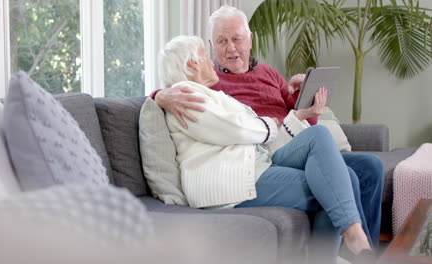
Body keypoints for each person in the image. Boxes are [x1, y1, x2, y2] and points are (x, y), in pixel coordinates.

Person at [153, 5, 383, 257]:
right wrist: (161, 94)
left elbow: (287, 123)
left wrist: (304, 104)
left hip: (276, 147)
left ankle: (361, 252)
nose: (229, 48)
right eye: (220, 42)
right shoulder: (196, 93)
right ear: (196, 61)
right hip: (251, 161)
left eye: (237, 39)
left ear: (249, 39)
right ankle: (356, 246)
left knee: (362, 166)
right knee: (338, 180)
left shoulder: (263, 75)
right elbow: (237, 128)